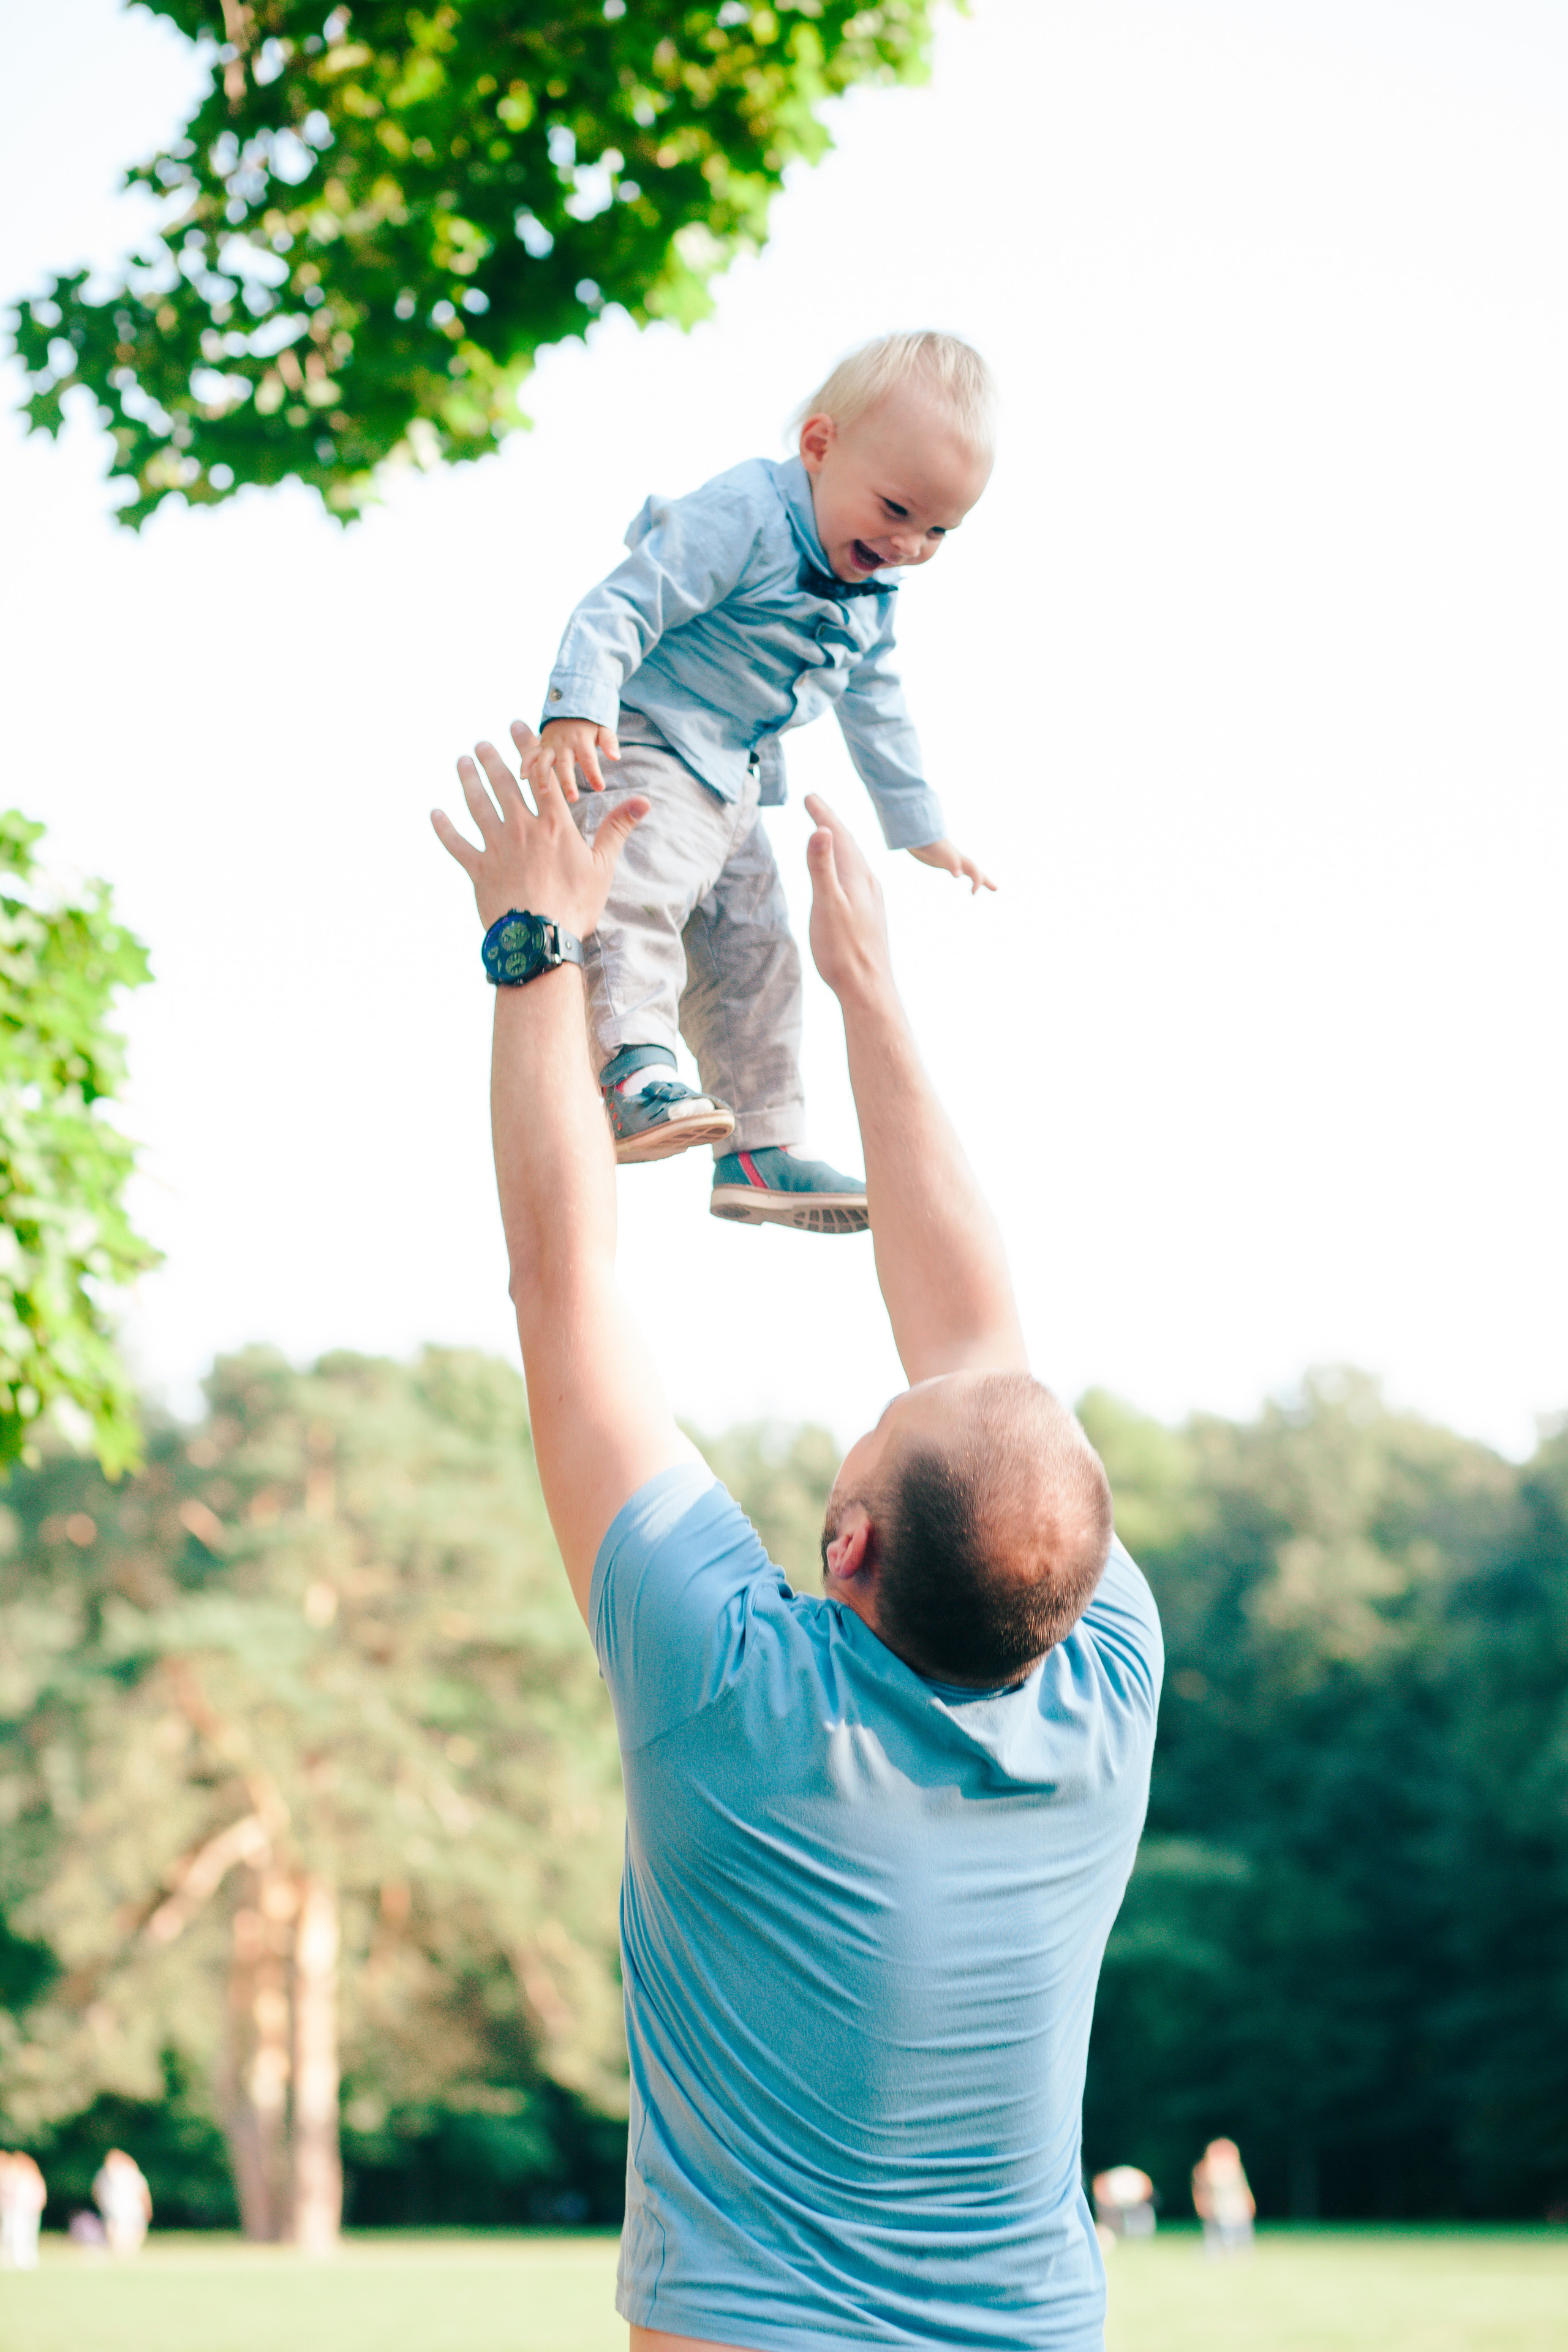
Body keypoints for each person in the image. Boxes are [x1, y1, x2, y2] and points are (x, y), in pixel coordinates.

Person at [432, 734, 1163, 2352]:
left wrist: (533, 944)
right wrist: (868, 994)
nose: (901, 1388)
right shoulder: (1107, 1686)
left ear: (847, 1548)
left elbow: (565, 1291)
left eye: (882, 1426)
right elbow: (978, 1345)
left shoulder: (734, 1694)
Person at [526, 329, 998, 1233]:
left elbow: (879, 704)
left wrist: (920, 825)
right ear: (820, 448)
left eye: (939, 530)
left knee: (759, 951)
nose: (909, 544)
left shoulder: (874, 595)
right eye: (897, 509)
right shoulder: (745, 511)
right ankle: (632, 1068)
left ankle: (758, 1146)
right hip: (646, 746)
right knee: (639, 898)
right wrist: (575, 708)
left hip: (735, 784)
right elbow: (625, 601)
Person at [1191, 2138, 1255, 2256]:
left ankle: (1242, 2255)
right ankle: (1218, 2254)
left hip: (1238, 2208)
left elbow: (1244, 2189)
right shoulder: (1205, 2170)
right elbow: (1201, 2191)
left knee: (1242, 2234)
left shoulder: (1236, 2170)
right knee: (1218, 2234)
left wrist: (1250, 2203)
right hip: (1218, 2208)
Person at [91, 2149, 151, 2258]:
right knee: (118, 2233)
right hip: (118, 2210)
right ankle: (122, 2253)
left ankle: (126, 2252)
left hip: (130, 2209)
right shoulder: (105, 2174)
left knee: (130, 2234)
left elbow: (142, 2192)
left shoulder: (129, 2173)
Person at [0, 2150, 47, 2269]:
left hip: (28, 2209)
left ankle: (25, 2256)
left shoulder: (30, 2177)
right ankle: (17, 2256)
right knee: (15, 2232)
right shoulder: (16, 2176)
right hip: (16, 2209)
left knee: (25, 2232)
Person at [1090, 2165, 1157, 2245]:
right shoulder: (1110, 2182)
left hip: (1130, 2200)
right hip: (1116, 2201)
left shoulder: (1133, 2180)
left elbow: (1146, 2186)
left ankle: (1139, 2234)